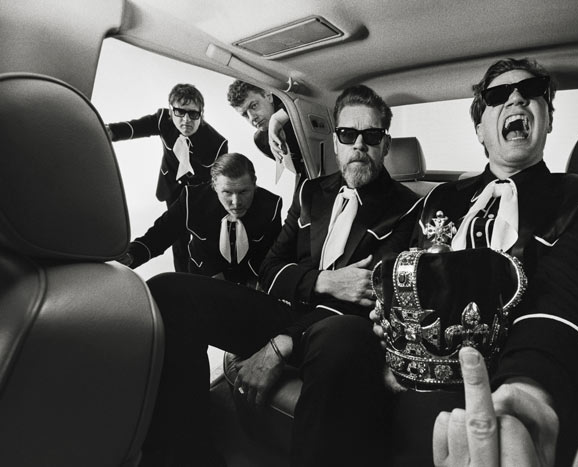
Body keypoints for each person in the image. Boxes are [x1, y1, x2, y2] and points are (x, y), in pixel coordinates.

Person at [139, 85, 421, 467]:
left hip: (340, 332)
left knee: (341, 335)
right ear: (335, 143)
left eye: (371, 136)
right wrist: (324, 281)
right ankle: (188, 454)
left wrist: (281, 344)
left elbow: (369, 298)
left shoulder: (409, 209)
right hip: (287, 312)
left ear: (385, 145)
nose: (359, 145)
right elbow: (270, 269)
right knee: (167, 291)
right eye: (347, 134)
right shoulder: (310, 193)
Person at [372, 57, 578, 467]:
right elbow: (406, 278)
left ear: (548, 119)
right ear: (479, 129)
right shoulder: (440, 199)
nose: (517, 98)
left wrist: (527, 388)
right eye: (498, 95)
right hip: (431, 378)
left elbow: (568, 290)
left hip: (539, 372)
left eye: (532, 91)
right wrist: (391, 331)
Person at [107, 84, 229, 272]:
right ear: (171, 112)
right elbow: (136, 127)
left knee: (200, 241)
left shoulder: (218, 143)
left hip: (199, 196)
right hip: (172, 188)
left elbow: (219, 180)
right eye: (180, 112)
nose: (186, 120)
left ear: (201, 114)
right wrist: (110, 132)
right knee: (177, 240)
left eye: (193, 114)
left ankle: (201, 277)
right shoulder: (162, 120)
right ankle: (181, 276)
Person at [121, 153, 282, 287]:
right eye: (227, 192)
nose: (236, 202)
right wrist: (130, 256)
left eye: (243, 192)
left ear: (254, 184)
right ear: (214, 186)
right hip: (201, 277)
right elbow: (160, 235)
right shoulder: (192, 200)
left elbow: (274, 254)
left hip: (250, 284)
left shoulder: (272, 206)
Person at [226, 80, 306, 181]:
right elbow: (298, 169)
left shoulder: (292, 98)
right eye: (245, 114)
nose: (252, 118)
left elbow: (307, 98)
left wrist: (276, 119)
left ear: (268, 96)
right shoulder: (261, 141)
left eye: (254, 106)